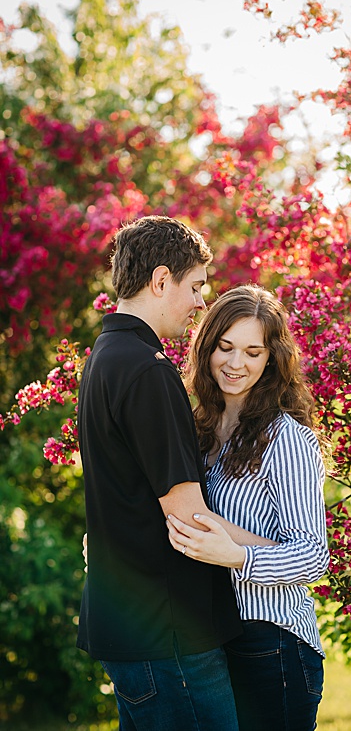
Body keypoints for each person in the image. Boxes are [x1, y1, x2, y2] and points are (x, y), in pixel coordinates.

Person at [76, 216, 270, 730]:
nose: (201, 303)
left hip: (131, 626)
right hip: (169, 635)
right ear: (161, 281)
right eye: (196, 286)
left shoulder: (103, 359)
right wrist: (275, 554)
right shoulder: (148, 370)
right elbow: (188, 519)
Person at [165, 284, 329, 731]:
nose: (236, 364)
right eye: (226, 347)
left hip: (272, 640)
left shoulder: (286, 438)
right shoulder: (196, 430)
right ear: (207, 346)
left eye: (253, 352)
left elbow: (314, 555)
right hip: (212, 638)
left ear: (272, 360)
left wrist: (237, 556)